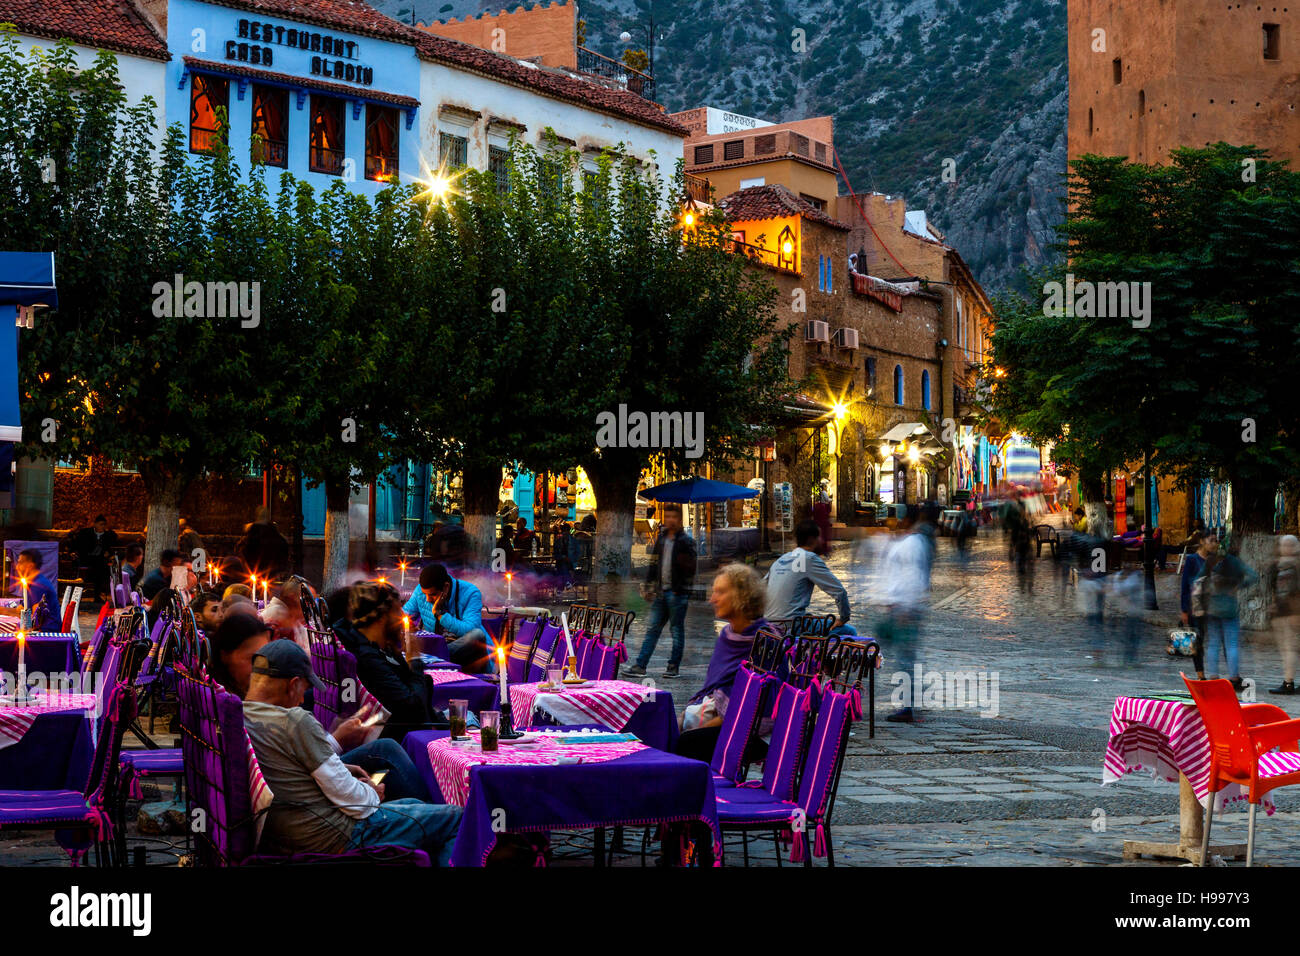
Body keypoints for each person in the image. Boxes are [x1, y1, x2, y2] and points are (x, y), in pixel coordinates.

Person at [241, 640, 460, 862]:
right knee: (458, 818)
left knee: (420, 807)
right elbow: (350, 798)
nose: (300, 700)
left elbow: (293, 766)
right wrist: (374, 793)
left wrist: (343, 767)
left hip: (296, 831)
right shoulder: (294, 720)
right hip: (338, 835)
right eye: (304, 691)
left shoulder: (243, 715)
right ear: (292, 684)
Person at [676, 564, 771, 761]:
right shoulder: (728, 636)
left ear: (742, 596)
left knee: (686, 742)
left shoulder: (765, 642)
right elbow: (713, 690)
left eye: (720, 592)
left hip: (748, 729)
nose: (712, 599)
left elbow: (752, 707)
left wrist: (693, 728)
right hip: (721, 721)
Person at [339, 581, 445, 735]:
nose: (403, 616)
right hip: (399, 735)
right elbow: (412, 708)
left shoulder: (377, 647)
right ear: (381, 618)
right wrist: (414, 660)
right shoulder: (367, 657)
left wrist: (397, 651)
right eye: (397, 610)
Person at [873, 504, 938, 722]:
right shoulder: (907, 540)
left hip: (905, 608)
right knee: (902, 656)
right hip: (899, 605)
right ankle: (910, 702)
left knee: (905, 658)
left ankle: (909, 706)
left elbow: (913, 576)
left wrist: (905, 606)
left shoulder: (913, 543)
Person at [624, 503, 697, 680]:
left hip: (677, 593)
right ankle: (641, 665)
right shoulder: (662, 539)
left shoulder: (685, 542)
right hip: (662, 592)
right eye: (668, 517)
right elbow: (654, 564)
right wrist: (649, 585)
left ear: (679, 520)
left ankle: (673, 666)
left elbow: (691, 569)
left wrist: (683, 590)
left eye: (674, 517)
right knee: (652, 629)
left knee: (676, 630)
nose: (670, 520)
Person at [762, 519, 855, 636]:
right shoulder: (809, 558)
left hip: (769, 624)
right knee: (849, 631)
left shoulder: (781, 559)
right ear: (813, 539)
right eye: (820, 537)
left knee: (810, 619)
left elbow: (761, 587)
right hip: (791, 625)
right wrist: (843, 618)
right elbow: (839, 592)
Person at [1195, 534, 1259, 689]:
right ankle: (1233, 677)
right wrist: (1239, 586)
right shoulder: (1234, 562)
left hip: (1212, 607)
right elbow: (1253, 576)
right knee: (1231, 644)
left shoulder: (1211, 562)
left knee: (1213, 644)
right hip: (1230, 607)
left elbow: (1198, 579)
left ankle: (1213, 677)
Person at [401, 564, 491, 673]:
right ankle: (436, 656)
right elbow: (405, 614)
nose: (428, 599)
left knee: (477, 635)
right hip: (436, 647)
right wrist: (403, 622)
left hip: (462, 649)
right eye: (425, 594)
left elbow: (470, 629)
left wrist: (441, 615)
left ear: (446, 587)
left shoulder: (470, 593)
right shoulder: (420, 591)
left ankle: (436, 656)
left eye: (433, 595)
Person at [1179, 530, 1214, 680]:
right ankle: (1201, 674)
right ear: (1202, 542)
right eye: (1211, 540)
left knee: (1210, 640)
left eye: (1215, 541)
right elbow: (1185, 585)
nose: (1214, 544)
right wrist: (1184, 610)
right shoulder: (1193, 560)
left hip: (1212, 607)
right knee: (1197, 641)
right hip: (1196, 608)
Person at [1269, 535, 1300, 695]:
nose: (1286, 548)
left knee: (1290, 649)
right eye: (1284, 545)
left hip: (1292, 613)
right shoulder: (1280, 565)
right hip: (1282, 612)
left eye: (1290, 545)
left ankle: (1288, 683)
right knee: (1290, 649)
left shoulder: (1296, 565)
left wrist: (1296, 612)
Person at [0, 548, 59, 630]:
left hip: (46, 631)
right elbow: (20, 610)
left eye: (20, 563)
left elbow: (33, 619)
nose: (17, 567)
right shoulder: (35, 581)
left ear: (30, 565)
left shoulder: (38, 585)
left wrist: (3, 610)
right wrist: (3, 610)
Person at [70, 514, 118, 602]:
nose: (102, 526)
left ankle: (97, 595)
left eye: (104, 524)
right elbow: (77, 545)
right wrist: (74, 552)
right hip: (86, 558)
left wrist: (108, 553)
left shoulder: (108, 536)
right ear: (95, 524)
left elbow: (112, 547)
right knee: (96, 567)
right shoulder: (85, 533)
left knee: (101, 568)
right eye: (100, 524)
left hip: (100, 560)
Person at [235, 507, 289, 581]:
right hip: (272, 572)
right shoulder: (275, 534)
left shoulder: (253, 533)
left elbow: (244, 550)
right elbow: (283, 550)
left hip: (254, 571)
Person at [263, 578, 309, 652]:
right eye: (306, 599)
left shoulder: (291, 617)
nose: (310, 606)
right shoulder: (277, 618)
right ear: (292, 598)